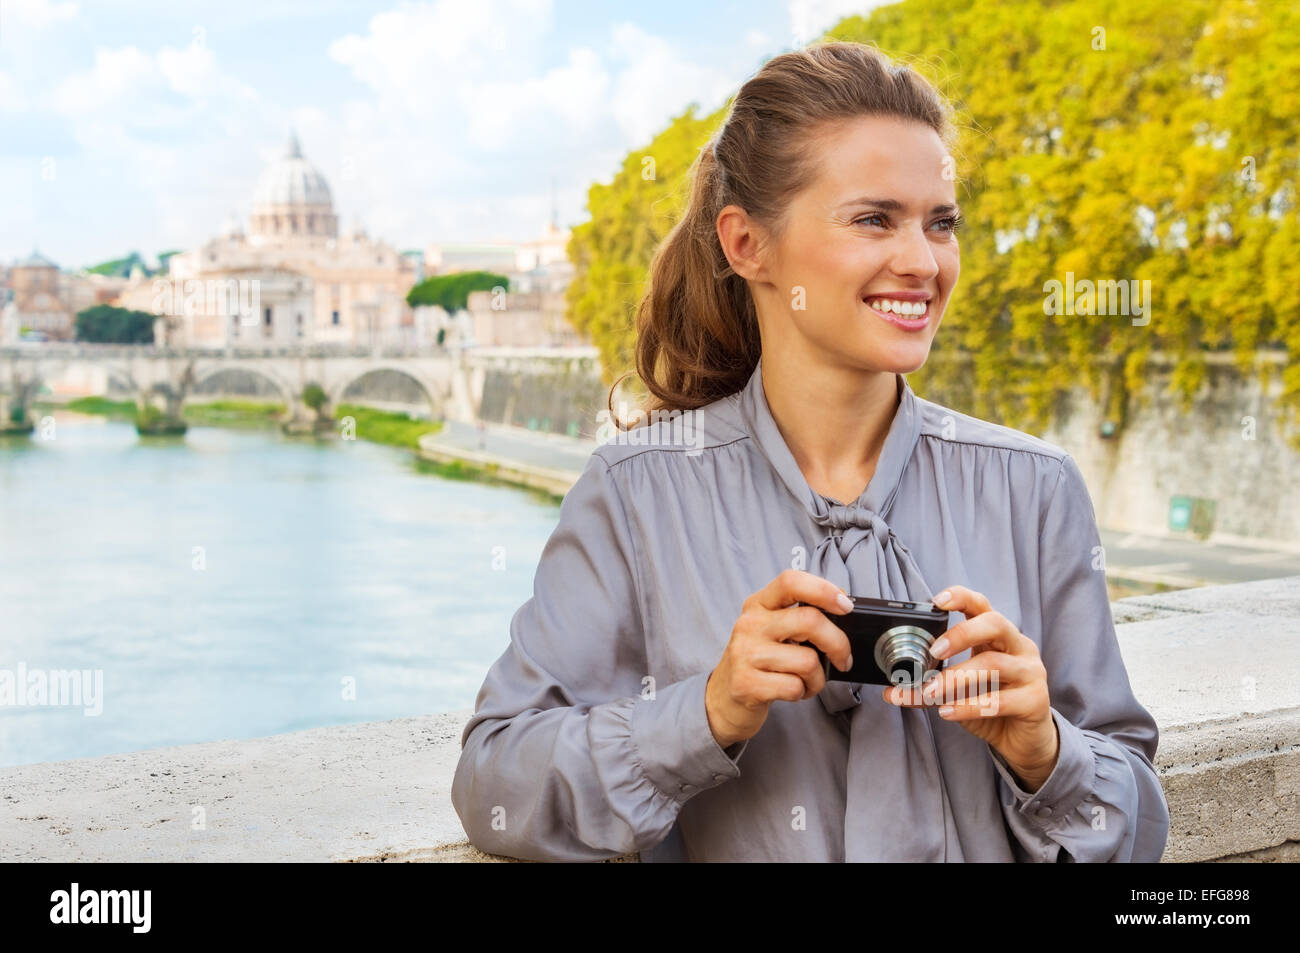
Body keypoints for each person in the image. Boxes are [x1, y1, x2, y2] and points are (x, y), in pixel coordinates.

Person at [451, 41, 1170, 862]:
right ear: (747, 245)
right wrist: (707, 712)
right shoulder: (636, 493)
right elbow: (493, 784)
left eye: (941, 223)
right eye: (874, 219)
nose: (923, 262)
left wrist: (1045, 750)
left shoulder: (1034, 487)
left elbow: (1138, 818)